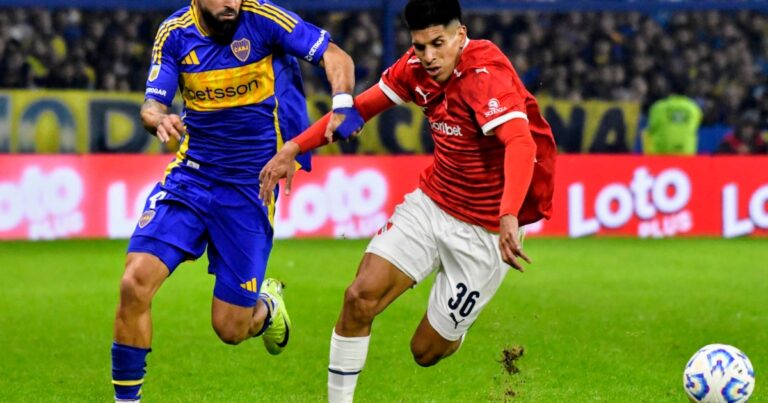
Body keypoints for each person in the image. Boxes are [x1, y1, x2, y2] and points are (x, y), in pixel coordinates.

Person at [258, 1, 556, 401]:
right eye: (420, 47)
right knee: (358, 297)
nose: (429, 57)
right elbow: (359, 110)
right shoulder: (415, 70)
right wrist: (293, 147)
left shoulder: (488, 76)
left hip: (485, 230)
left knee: (426, 352)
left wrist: (508, 214)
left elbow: (520, 143)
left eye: (438, 44)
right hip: (432, 205)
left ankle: (453, 329)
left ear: (460, 36)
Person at [110, 0, 362, 401]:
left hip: (250, 187)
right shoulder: (174, 33)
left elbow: (335, 55)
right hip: (191, 176)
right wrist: (158, 118)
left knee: (230, 328)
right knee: (133, 283)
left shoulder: (264, 19)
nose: (232, 3)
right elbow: (152, 104)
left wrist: (343, 102)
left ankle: (266, 306)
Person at [643, 83, 703, 155]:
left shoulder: (658, 107)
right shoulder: (694, 108)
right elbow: (695, 127)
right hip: (686, 154)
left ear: (669, 90)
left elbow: (651, 129)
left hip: (660, 154)